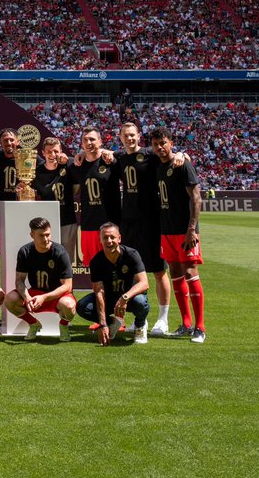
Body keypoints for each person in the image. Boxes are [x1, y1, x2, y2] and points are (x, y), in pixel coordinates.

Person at [113, 120, 172, 336]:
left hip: (151, 220)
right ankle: (140, 319)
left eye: (132, 135)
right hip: (128, 221)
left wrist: (183, 156)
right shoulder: (119, 157)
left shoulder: (150, 154)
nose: (129, 138)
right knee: (133, 273)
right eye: (125, 135)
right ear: (120, 138)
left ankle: (163, 319)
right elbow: (99, 152)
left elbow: (171, 154)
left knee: (157, 270)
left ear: (139, 136)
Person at [151, 126, 206, 343]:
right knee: (174, 271)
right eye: (156, 144)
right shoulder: (157, 165)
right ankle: (185, 323)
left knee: (190, 271)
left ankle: (200, 328)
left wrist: (192, 229)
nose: (159, 147)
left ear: (171, 143)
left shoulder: (183, 165)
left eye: (163, 143)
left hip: (185, 231)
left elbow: (196, 198)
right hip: (167, 230)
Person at [76, 222, 150, 344]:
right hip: (109, 300)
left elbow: (144, 283)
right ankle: (113, 323)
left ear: (119, 238)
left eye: (112, 237)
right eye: (105, 237)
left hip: (130, 298)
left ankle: (140, 325)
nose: (109, 241)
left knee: (140, 302)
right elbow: (99, 293)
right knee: (83, 307)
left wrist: (125, 297)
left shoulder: (132, 255)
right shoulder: (96, 261)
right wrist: (103, 324)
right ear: (100, 239)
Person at [5, 216, 76, 342]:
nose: (46, 239)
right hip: (35, 294)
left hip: (57, 296)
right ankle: (33, 324)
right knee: (10, 300)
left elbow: (67, 286)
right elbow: (19, 280)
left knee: (69, 306)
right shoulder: (25, 251)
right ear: (32, 235)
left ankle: (63, 325)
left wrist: (44, 297)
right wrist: (27, 298)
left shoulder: (60, 252)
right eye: (41, 235)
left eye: (48, 234)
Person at [67, 126, 120, 266]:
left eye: (92, 139)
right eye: (85, 140)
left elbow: (131, 155)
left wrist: (183, 154)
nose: (89, 142)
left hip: (111, 223)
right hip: (89, 225)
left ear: (100, 141)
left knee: (115, 265)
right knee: (94, 267)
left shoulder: (111, 161)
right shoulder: (76, 166)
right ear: (81, 143)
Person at [33, 136, 75, 265]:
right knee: (47, 259)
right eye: (49, 151)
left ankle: (68, 285)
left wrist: (68, 159)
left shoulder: (68, 165)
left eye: (56, 151)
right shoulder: (36, 172)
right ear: (43, 153)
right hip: (46, 223)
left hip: (67, 221)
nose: (53, 154)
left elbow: (77, 185)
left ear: (61, 151)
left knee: (66, 260)